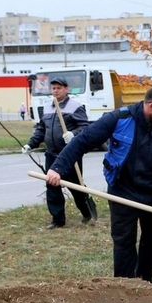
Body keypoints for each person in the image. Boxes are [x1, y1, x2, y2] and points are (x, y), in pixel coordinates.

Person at [45, 86, 152, 283]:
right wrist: (58, 168)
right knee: (124, 240)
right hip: (122, 190)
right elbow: (83, 141)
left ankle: (143, 283)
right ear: (151, 106)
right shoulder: (119, 119)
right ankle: (124, 286)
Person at [22, 76, 96, 229]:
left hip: (70, 155)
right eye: (53, 88)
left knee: (76, 186)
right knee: (52, 186)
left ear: (66, 89)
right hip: (51, 154)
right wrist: (30, 144)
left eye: (59, 88)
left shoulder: (75, 107)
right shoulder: (48, 107)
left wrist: (73, 134)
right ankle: (57, 220)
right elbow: (41, 129)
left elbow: (85, 127)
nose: (55, 91)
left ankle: (88, 213)